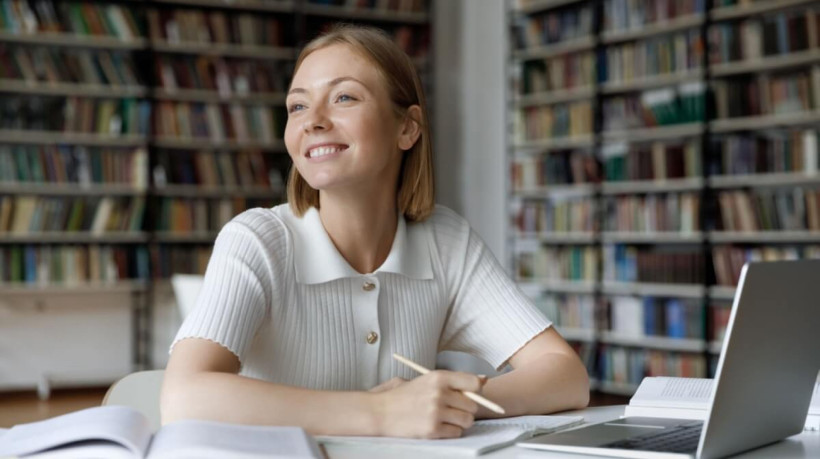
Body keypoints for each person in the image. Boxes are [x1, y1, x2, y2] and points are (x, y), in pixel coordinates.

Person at [161, 24, 589, 439]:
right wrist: (381, 413)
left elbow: (566, 375)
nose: (313, 121)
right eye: (297, 106)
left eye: (344, 97)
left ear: (407, 127)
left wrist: (451, 401)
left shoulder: (446, 240)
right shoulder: (256, 240)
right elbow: (184, 396)